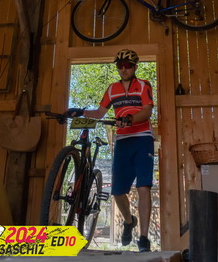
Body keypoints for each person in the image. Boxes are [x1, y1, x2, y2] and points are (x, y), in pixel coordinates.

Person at [66, 49, 155, 252]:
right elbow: (99, 113)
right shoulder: (112, 89)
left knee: (144, 187)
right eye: (120, 66)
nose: (123, 69)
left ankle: (143, 239)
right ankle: (129, 221)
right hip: (122, 140)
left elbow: (147, 111)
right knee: (117, 192)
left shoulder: (144, 85)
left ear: (135, 67)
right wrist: (79, 111)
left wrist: (130, 119)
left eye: (128, 66)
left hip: (143, 139)